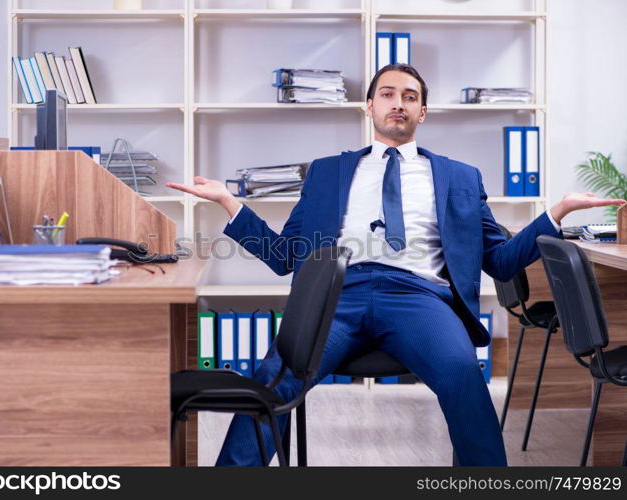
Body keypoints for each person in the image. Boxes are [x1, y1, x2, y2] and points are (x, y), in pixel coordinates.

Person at [167, 64, 625, 466]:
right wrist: (230, 204)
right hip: (337, 298)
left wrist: (556, 212)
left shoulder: (460, 177)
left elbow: (501, 262)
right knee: (274, 377)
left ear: (422, 112)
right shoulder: (327, 172)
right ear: (369, 106)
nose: (398, 104)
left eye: (410, 97)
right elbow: (284, 257)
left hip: (418, 298)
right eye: (387, 94)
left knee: (465, 376)